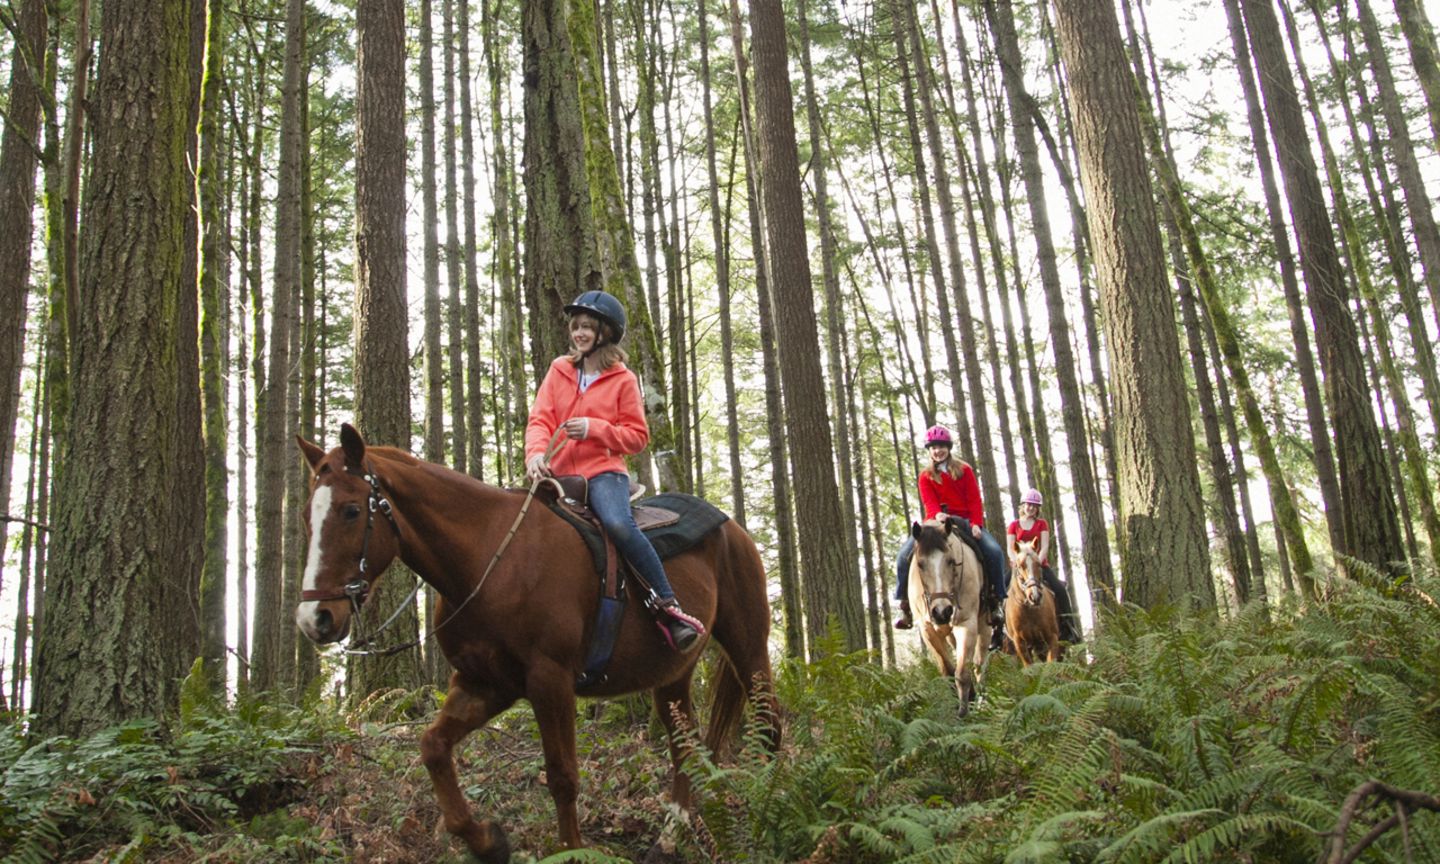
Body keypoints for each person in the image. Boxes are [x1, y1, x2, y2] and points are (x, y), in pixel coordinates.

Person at [525, 290, 706, 653]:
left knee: (618, 524)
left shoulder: (623, 380)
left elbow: (637, 437)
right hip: (558, 475)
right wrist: (535, 455)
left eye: (587, 327)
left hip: (604, 473)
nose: (579, 333)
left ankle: (668, 606)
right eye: (576, 326)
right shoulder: (559, 370)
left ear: (605, 332)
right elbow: (540, 419)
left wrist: (596, 429)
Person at [893, 424, 1007, 634]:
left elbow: (974, 500)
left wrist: (976, 524)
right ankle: (905, 606)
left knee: (995, 552)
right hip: (935, 522)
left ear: (949, 448)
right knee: (902, 557)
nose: (938, 451)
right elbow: (929, 502)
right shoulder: (925, 476)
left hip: (964, 520)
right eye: (934, 447)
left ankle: (996, 601)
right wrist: (937, 514)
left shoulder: (965, 470)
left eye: (941, 446)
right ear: (929, 450)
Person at [1006, 488, 1082, 644]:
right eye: (1029, 505)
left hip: (1038, 565)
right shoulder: (1014, 525)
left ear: (1038, 509)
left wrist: (1037, 561)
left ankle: (1069, 627)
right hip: (1020, 567)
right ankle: (999, 629)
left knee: (1060, 590)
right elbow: (1010, 548)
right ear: (1023, 505)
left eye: (1034, 506)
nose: (1031, 508)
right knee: (1002, 590)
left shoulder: (1042, 524)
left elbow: (1045, 545)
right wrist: (1016, 561)